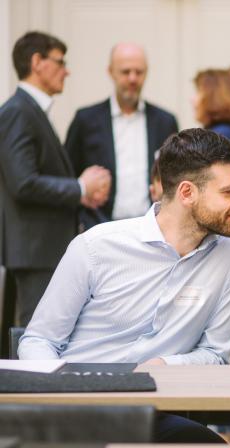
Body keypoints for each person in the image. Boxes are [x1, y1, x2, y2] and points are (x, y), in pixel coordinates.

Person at [19, 128, 230, 442]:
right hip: (76, 412)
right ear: (186, 193)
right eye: (229, 191)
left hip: (156, 410)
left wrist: (162, 365)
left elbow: (216, 354)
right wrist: (64, 395)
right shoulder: (96, 246)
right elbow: (38, 340)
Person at [0, 31, 110, 329]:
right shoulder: (18, 112)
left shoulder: (30, 110)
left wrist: (81, 193)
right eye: (61, 62)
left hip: (42, 249)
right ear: (37, 62)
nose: (67, 71)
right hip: (36, 251)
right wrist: (80, 187)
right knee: (37, 332)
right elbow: (23, 183)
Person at [65, 42, 178, 229]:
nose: (133, 78)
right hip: (99, 225)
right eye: (125, 72)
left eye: (139, 72)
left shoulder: (165, 121)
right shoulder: (86, 119)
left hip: (152, 226)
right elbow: (68, 173)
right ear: (111, 72)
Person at [192, 68, 230, 149]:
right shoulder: (223, 132)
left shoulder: (221, 135)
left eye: (199, 92)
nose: (193, 99)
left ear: (214, 97)